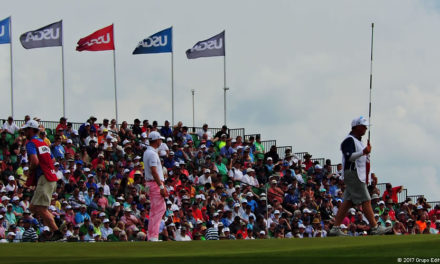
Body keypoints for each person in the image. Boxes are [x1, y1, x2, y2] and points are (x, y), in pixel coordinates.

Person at [329, 116, 391, 236]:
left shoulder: (359, 142)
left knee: (347, 202)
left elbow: (364, 160)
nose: (365, 129)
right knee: (366, 200)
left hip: (358, 174)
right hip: (353, 173)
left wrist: (371, 173)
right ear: (356, 127)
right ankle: (374, 227)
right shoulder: (349, 140)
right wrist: (364, 152)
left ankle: (335, 228)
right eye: (363, 126)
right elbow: (349, 157)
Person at [23, 120, 62, 240]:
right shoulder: (44, 143)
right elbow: (53, 160)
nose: (24, 132)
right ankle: (51, 226)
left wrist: (30, 172)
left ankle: (56, 231)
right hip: (51, 176)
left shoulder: (31, 143)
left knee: (40, 208)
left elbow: (34, 161)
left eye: (26, 129)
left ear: (30, 130)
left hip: (44, 177)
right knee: (33, 208)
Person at [143, 131, 168, 242]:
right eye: (160, 139)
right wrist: (161, 187)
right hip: (154, 184)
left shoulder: (147, 152)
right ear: (156, 140)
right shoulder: (152, 154)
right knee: (159, 209)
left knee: (155, 210)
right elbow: (154, 171)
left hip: (150, 183)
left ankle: (151, 236)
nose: (161, 141)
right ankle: (153, 236)